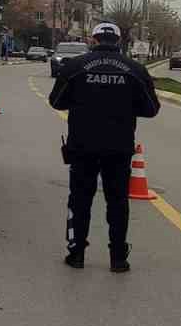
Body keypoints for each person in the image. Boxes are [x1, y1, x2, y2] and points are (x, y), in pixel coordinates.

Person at [47, 21, 159, 273]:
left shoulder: (75, 67)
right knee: (118, 201)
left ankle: (76, 253)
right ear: (118, 41)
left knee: (80, 199)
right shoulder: (135, 69)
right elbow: (151, 109)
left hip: (82, 146)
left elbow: (56, 101)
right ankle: (118, 257)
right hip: (119, 147)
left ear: (94, 40)